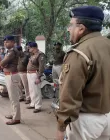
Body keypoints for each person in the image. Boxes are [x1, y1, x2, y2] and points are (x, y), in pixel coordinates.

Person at [56, 6, 110, 140]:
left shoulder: (79, 52)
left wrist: (61, 127)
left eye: (71, 25)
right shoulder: (107, 44)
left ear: (81, 28)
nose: (69, 29)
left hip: (85, 121)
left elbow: (70, 95)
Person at [1, 36, 21, 125]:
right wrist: (4, 64)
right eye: (5, 42)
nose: (5, 43)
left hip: (12, 76)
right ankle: (14, 114)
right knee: (12, 97)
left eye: (8, 42)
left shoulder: (12, 52)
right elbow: (3, 63)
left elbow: (2, 63)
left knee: (14, 98)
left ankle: (16, 118)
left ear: (13, 42)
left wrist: (3, 64)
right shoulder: (9, 51)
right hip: (9, 75)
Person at [26, 42, 45, 113]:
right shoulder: (33, 55)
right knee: (31, 90)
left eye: (29, 48)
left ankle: (38, 106)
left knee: (36, 91)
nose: (28, 49)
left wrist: (38, 77)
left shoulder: (40, 55)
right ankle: (33, 103)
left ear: (33, 48)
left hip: (35, 74)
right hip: (29, 74)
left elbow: (41, 66)